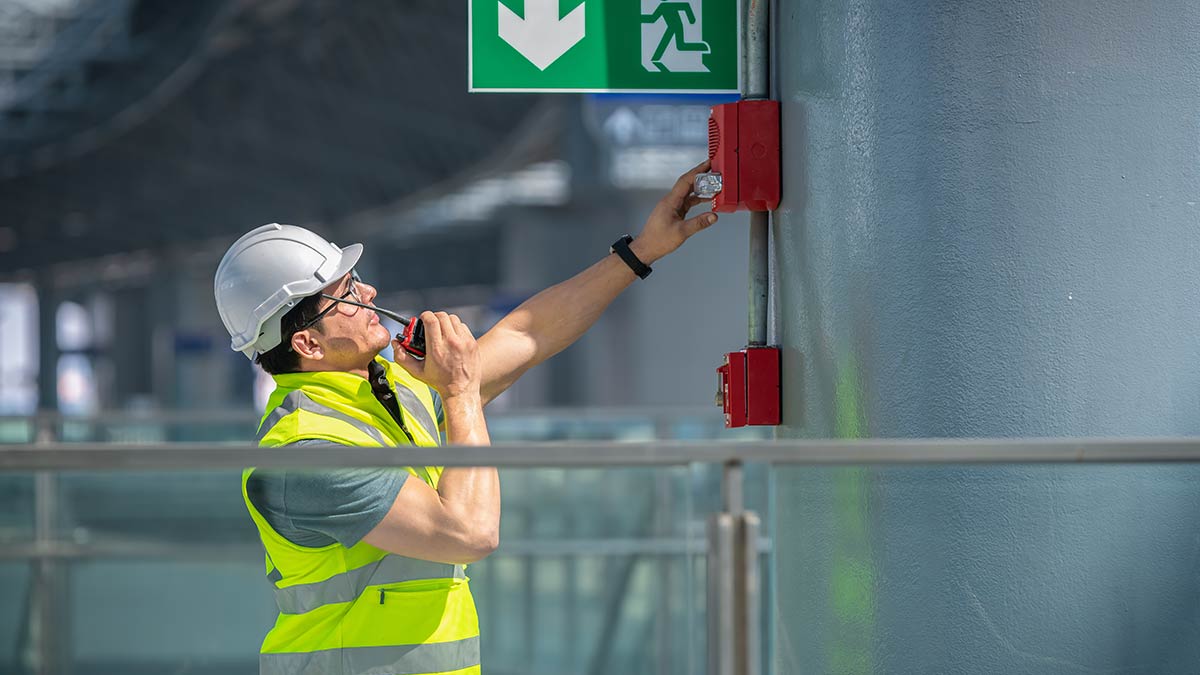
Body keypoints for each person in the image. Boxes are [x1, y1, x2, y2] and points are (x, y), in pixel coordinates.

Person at [212, 161, 718, 675]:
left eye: (356, 281)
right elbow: (470, 533)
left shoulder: (394, 392)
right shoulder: (304, 456)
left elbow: (527, 334)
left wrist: (640, 252)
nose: (368, 295)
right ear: (307, 343)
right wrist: (458, 391)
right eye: (344, 295)